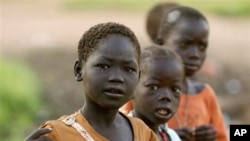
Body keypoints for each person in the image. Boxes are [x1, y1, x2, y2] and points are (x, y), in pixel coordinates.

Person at [25, 22, 158, 141]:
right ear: (79, 70)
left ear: (138, 77)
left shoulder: (143, 133)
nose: (117, 77)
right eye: (103, 66)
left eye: (128, 69)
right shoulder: (58, 135)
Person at [122, 3, 228, 141]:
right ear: (160, 42)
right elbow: (120, 124)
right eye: (185, 44)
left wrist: (211, 136)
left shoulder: (205, 94)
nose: (195, 54)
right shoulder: (142, 86)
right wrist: (167, 135)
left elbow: (222, 137)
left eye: (202, 46)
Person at [129, 46, 184, 141]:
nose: (166, 96)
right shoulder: (120, 134)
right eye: (153, 87)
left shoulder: (172, 137)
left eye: (175, 89)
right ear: (132, 88)